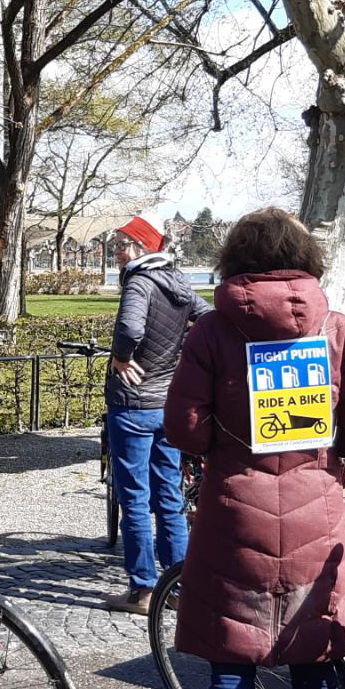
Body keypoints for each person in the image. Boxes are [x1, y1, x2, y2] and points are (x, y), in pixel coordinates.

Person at [164, 208, 345, 689]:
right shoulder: (340, 330)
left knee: (230, 670)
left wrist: (227, 445)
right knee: (318, 670)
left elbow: (183, 429)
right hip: (320, 513)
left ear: (235, 264)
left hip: (232, 516)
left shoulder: (212, 332)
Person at [102, 210, 207, 615]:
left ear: (142, 247)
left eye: (122, 244)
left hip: (132, 405)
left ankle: (143, 591)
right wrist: (181, 357)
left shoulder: (140, 282)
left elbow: (129, 330)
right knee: (169, 494)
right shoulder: (178, 280)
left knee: (134, 496)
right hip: (167, 403)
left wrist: (121, 358)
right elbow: (208, 318)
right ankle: (179, 586)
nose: (116, 251)